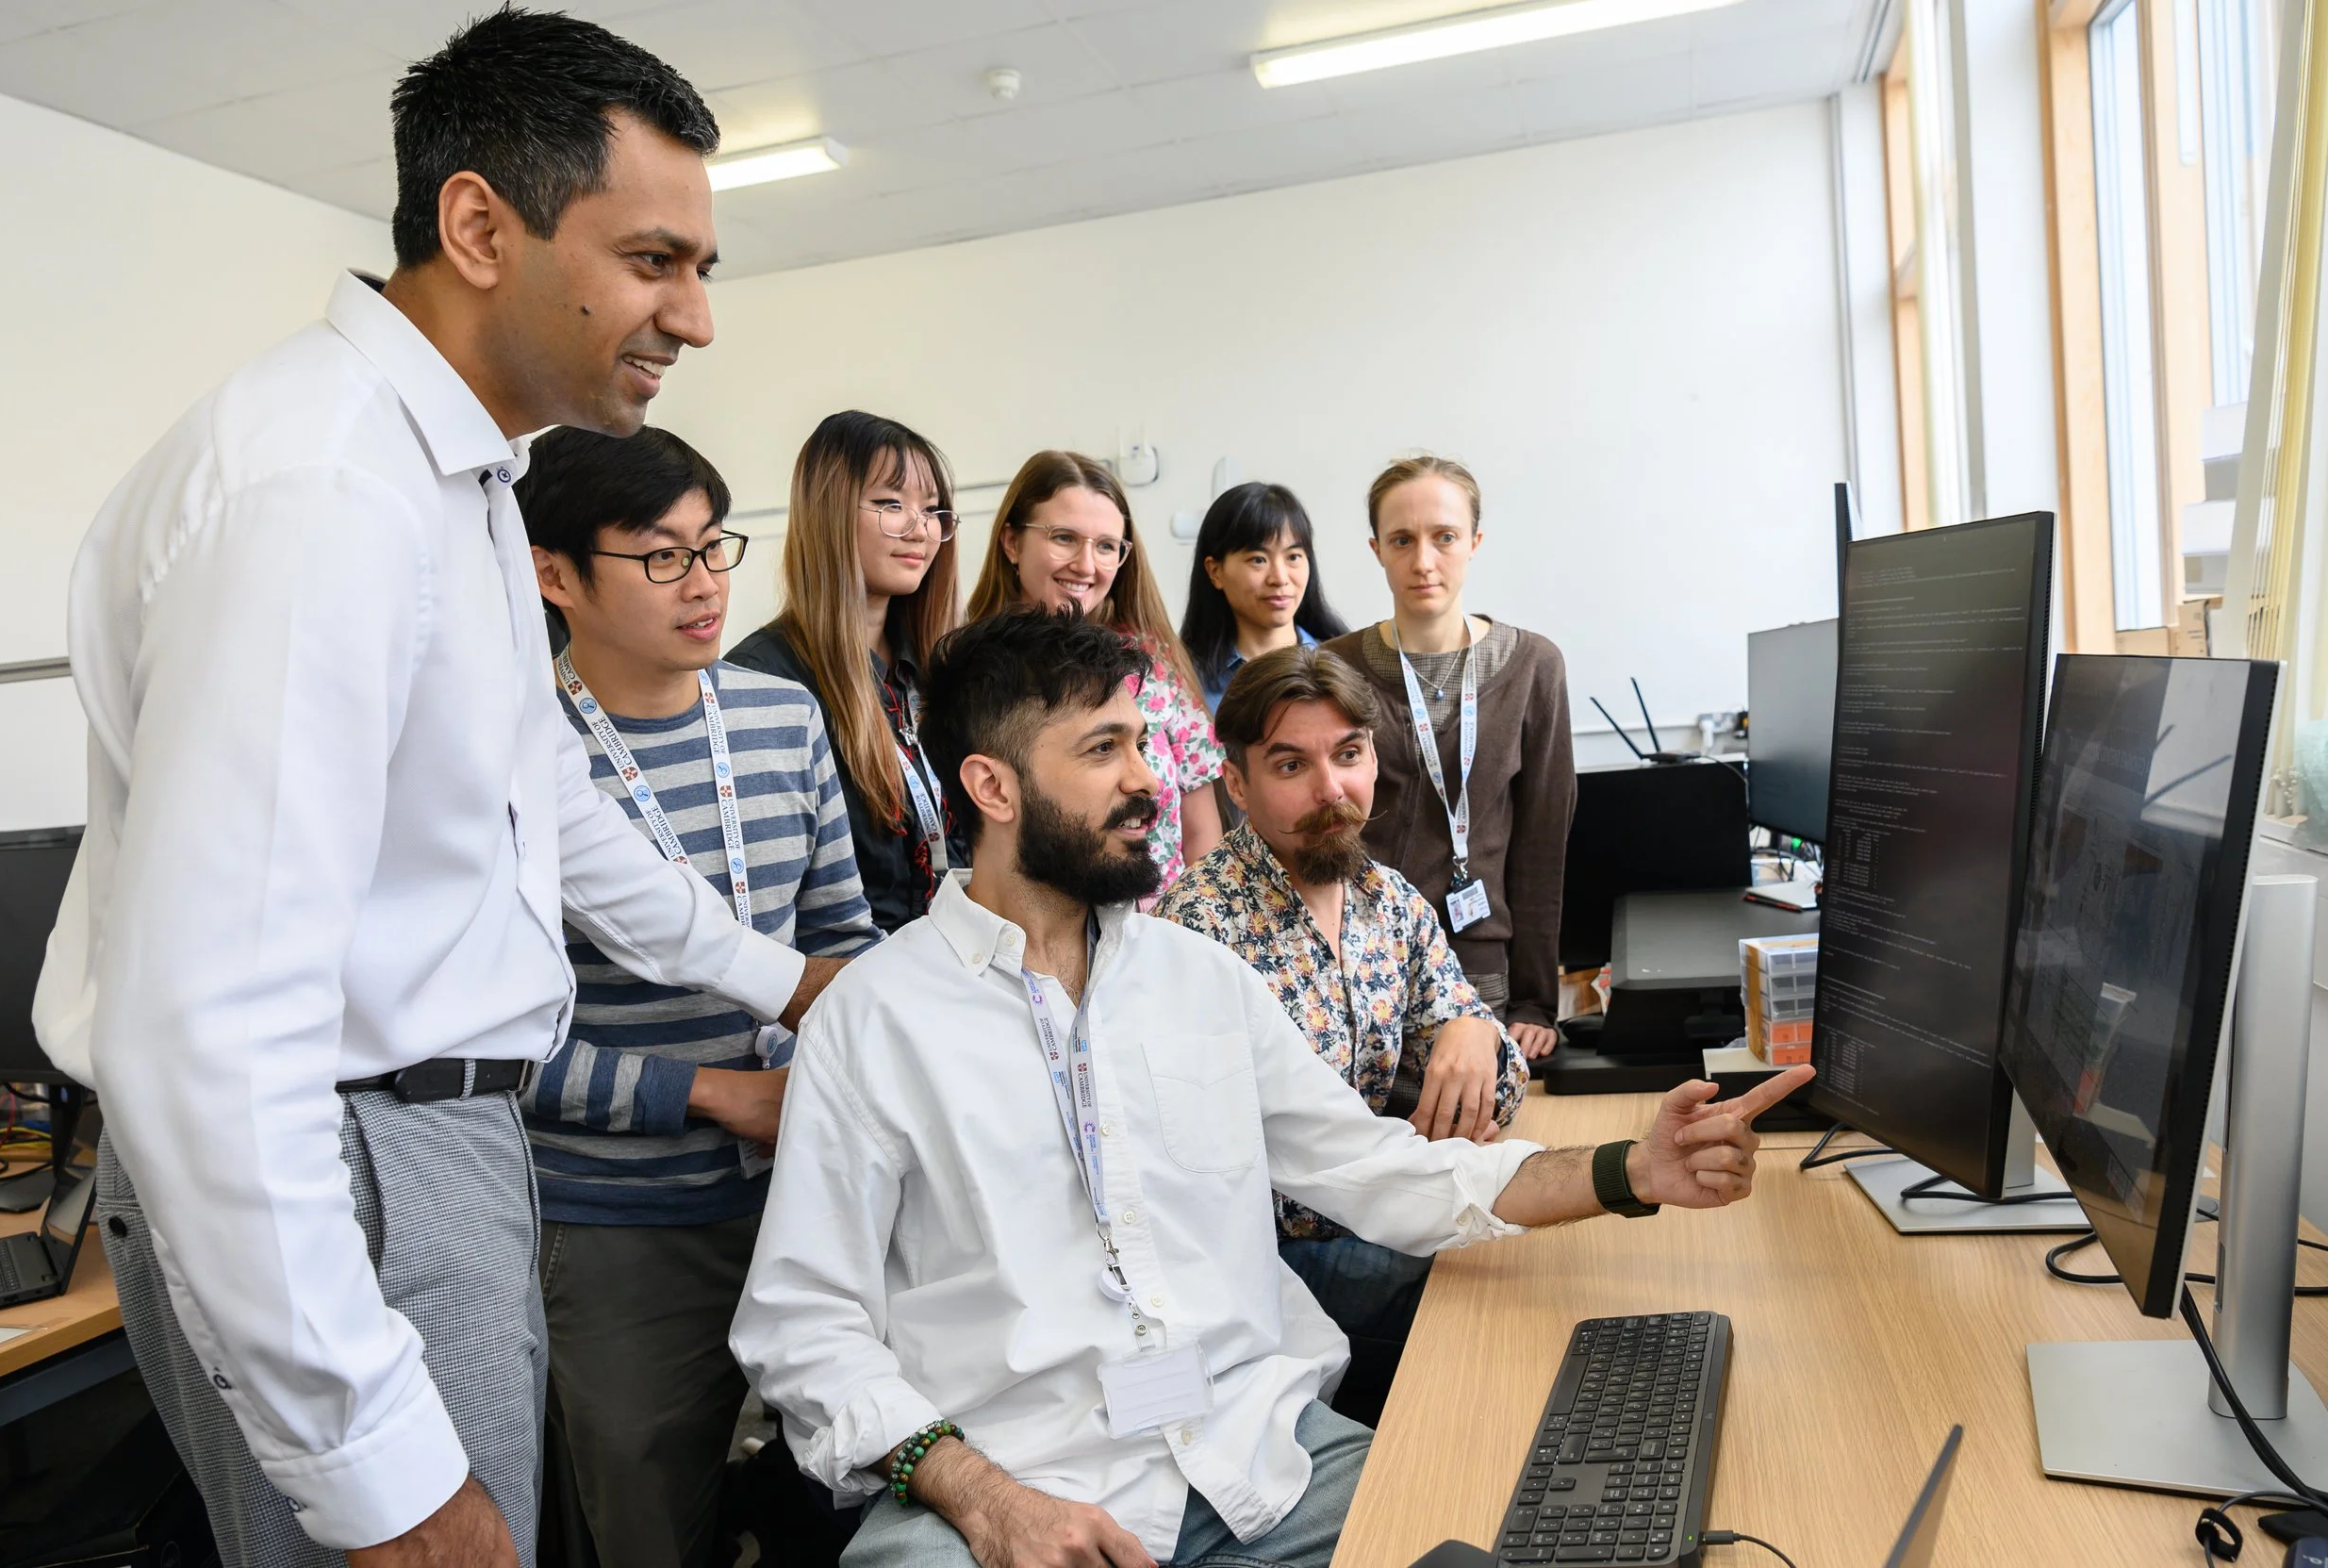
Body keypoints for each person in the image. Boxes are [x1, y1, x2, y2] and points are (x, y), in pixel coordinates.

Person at [29, 14, 835, 1564]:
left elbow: (541, 801)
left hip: (435, 1150)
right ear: (480, 225)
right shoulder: (321, 488)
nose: (694, 318)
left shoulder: (451, 476)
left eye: (702, 270)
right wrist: (376, 1465)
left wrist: (788, 980)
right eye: (656, 259)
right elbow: (207, 1031)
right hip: (335, 1170)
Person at [732, 607, 1811, 1568]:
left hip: (1263, 1453)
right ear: (992, 785)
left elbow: (1377, 1169)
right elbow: (801, 1325)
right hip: (1019, 1484)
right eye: (1103, 749)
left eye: (1142, 742)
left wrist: (1633, 1168)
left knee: (1517, 1535)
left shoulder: (1197, 979)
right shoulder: (874, 1021)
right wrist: (982, 1496)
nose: (1151, 780)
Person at [518, 422, 881, 1567]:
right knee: (646, 1524)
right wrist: (715, 1096)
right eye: (660, 556)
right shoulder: (512, 754)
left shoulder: (781, 717)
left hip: (816, 1190)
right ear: (554, 572)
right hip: (621, 1221)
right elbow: (499, 1047)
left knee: (853, 1490)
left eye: (713, 546)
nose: (705, 583)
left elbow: (841, 944)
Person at [1155, 646, 1526, 1415]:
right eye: (1291, 766)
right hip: (1271, 1269)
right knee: (1492, 1293)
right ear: (1236, 782)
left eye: (1349, 755)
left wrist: (1473, 1029)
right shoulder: (1199, 929)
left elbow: (1503, 1083)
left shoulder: (1386, 901)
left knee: (1517, 1260)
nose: (1332, 790)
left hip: (1381, 1210)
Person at [1325, 455, 1577, 1063]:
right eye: (1402, 540)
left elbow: (1542, 847)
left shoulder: (1534, 668)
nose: (1423, 562)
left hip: (1479, 971)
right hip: (1359, 967)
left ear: (1474, 543)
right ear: (1377, 549)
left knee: (1475, 1131)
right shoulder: (1334, 670)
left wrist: (1536, 1003)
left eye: (1444, 537)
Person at [728, 410, 963, 933]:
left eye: (931, 510)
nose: (919, 528)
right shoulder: (763, 680)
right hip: (848, 983)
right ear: (828, 511)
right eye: (890, 504)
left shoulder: (940, 664)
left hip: (957, 962)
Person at [966, 452, 1221, 895]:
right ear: (1011, 542)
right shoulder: (972, 669)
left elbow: (1202, 835)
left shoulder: (1154, 663)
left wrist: (1193, 933)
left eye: (1106, 546)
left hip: (1162, 930)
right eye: (1064, 537)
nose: (1087, 565)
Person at [1179, 482, 1349, 713]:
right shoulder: (1182, 681)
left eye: (1294, 557)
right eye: (1258, 559)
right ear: (1215, 572)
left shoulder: (1345, 663)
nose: (1279, 578)